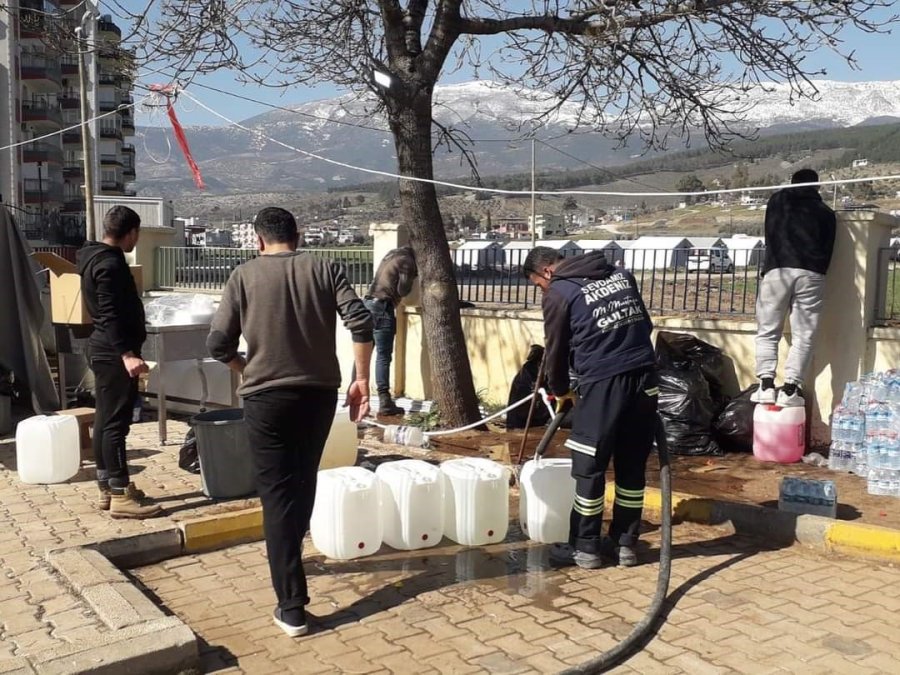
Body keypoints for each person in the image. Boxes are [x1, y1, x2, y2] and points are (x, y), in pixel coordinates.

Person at [207, 207, 373, 638]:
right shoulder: (326, 267)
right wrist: (362, 382)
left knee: (278, 495)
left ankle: (292, 607)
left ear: (259, 240)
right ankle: (291, 560)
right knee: (302, 482)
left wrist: (249, 369)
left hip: (266, 399)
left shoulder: (243, 276)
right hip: (318, 395)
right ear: (297, 236)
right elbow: (361, 320)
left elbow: (217, 344)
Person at [523, 246, 658, 569]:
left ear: (546, 272)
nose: (542, 290)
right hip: (645, 378)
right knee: (631, 464)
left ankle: (585, 548)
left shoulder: (559, 292)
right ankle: (625, 544)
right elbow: (645, 324)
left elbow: (555, 349)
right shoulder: (621, 275)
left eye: (538, 285)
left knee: (589, 466)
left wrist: (560, 391)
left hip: (602, 383)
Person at [78, 206, 160, 519]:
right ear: (131, 232)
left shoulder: (92, 257)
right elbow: (111, 314)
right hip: (114, 353)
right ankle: (120, 494)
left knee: (105, 419)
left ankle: (109, 488)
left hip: (103, 348)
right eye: (136, 235)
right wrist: (127, 354)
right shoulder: (110, 264)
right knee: (115, 423)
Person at [752, 169, 836, 407]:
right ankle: (790, 389)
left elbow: (769, 233)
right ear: (817, 187)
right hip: (811, 273)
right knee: (804, 335)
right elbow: (829, 247)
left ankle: (766, 385)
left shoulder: (777, 202)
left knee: (768, 331)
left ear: (792, 184)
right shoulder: (826, 213)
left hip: (777, 269)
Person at [364, 245, 417, 415]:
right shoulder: (407, 261)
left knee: (363, 353)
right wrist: (414, 277)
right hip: (382, 307)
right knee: (383, 356)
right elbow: (403, 290)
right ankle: (385, 400)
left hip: (367, 305)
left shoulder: (391, 255)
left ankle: (355, 396)